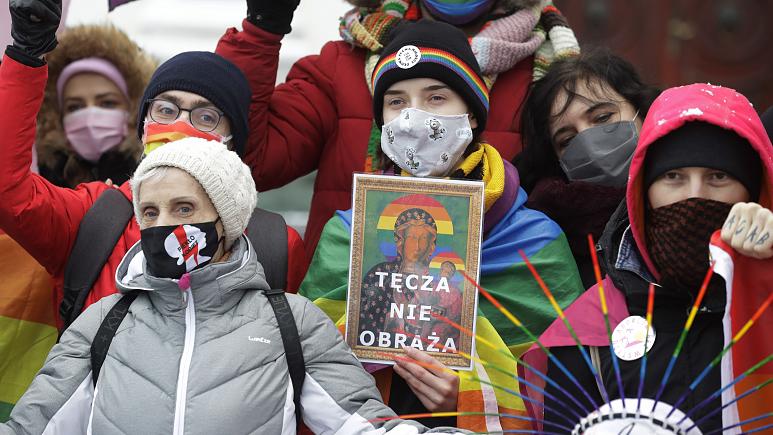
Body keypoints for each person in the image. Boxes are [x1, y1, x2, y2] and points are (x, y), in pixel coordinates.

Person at [0, 138, 468, 435]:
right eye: (150, 213)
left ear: (225, 221)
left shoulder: (293, 320)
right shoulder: (103, 321)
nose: (164, 225)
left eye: (184, 209)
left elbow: (363, 426)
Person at [299, 20, 584, 432]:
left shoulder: (535, 241)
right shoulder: (347, 233)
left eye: (435, 97)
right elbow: (309, 357)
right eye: (396, 102)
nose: (413, 117)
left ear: (470, 114)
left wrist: (468, 396)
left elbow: (568, 384)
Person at [0, 0, 307, 333]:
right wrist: (26, 55)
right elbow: (8, 189)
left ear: (232, 141)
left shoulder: (275, 244)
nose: (180, 125)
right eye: (165, 110)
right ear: (143, 126)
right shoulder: (92, 217)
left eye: (206, 117)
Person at [215, 0, 581, 253]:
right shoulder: (339, 66)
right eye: (397, 100)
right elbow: (244, 163)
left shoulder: (553, 74)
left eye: (437, 97)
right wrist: (262, 29)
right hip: (347, 316)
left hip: (491, 321)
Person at [519, 83, 773, 433]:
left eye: (718, 177)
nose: (693, 196)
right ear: (643, 191)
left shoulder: (766, 298)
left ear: (753, 191)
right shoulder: (594, 324)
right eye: (673, 177)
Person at [514, 49, 659, 287]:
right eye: (567, 140)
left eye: (602, 118)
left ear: (641, 110)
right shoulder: (543, 241)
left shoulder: (694, 184)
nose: (589, 143)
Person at [36, 24, 156, 188]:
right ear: (57, 117)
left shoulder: (157, 179)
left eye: (107, 103)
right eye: (75, 107)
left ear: (135, 109)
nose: (90, 116)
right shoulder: (37, 183)